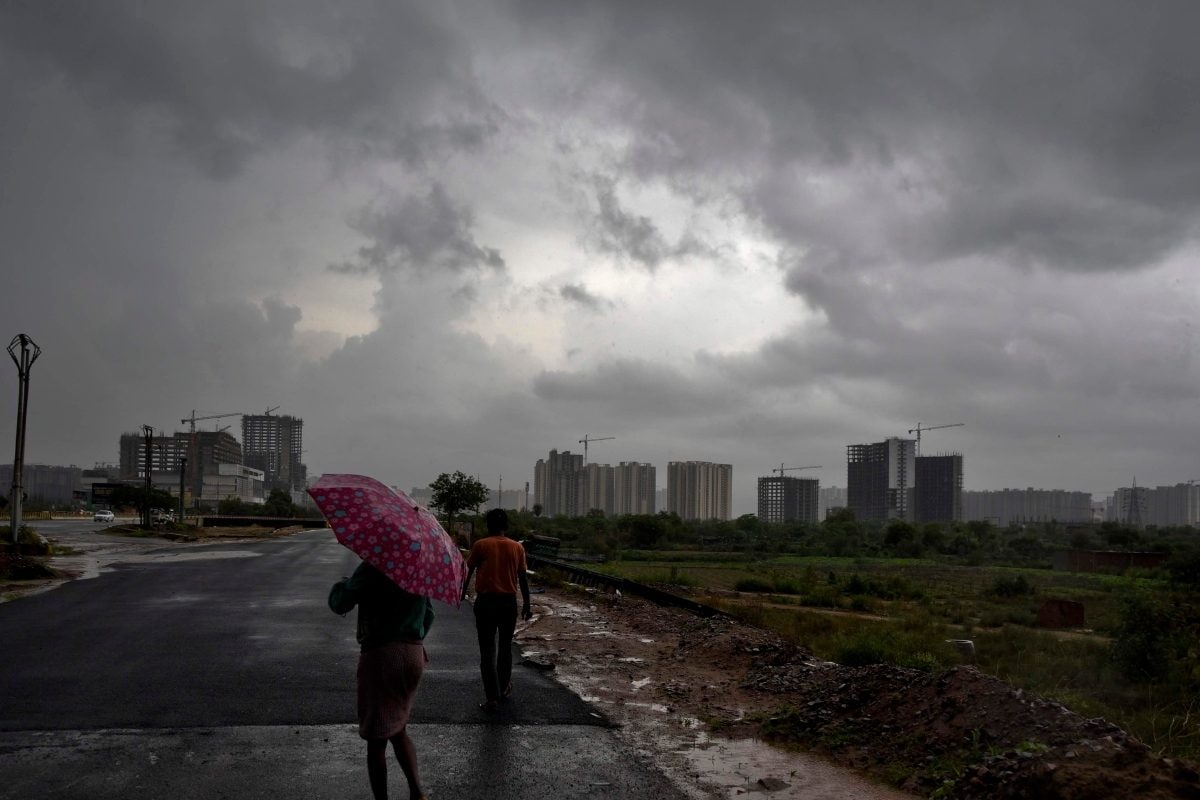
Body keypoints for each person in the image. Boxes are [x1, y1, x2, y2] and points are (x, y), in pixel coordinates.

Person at [330, 561, 433, 800]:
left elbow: (339, 603)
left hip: (382, 655)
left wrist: (342, 585)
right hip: (413, 653)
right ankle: (417, 793)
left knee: (376, 738)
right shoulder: (416, 569)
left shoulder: (374, 566)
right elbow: (429, 614)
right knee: (398, 727)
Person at [461, 508, 532, 711]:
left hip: (486, 603)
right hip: (508, 603)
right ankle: (502, 689)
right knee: (505, 648)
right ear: (505, 526)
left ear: (489, 525)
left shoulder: (480, 545)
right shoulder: (517, 548)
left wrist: (461, 594)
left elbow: (469, 572)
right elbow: (522, 579)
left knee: (487, 651)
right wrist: (527, 604)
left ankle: (491, 697)